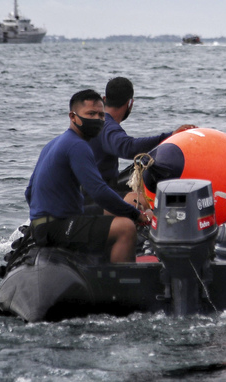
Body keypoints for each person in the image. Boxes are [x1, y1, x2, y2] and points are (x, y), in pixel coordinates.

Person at [25, 89, 150, 263]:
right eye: (90, 114)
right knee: (126, 227)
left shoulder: (53, 143)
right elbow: (98, 191)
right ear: (73, 116)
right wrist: (136, 215)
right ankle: (118, 283)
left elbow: (29, 192)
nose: (97, 119)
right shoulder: (78, 146)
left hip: (42, 223)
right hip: (55, 226)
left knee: (113, 211)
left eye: (100, 115)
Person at [89, 77, 196, 192]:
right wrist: (170, 136)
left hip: (89, 186)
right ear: (130, 103)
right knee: (145, 202)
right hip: (93, 195)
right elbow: (128, 147)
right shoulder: (107, 127)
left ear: (104, 99)